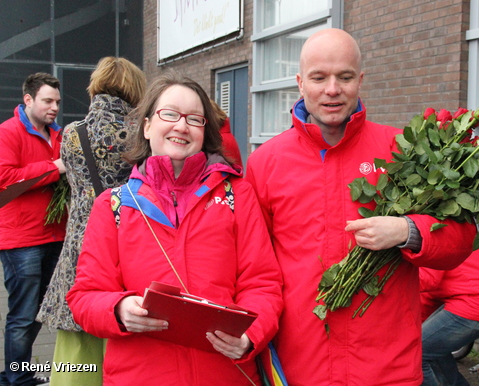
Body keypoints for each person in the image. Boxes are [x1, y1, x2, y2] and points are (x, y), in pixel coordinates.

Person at [245, 28, 476, 385]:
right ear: (300, 83)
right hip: (301, 363)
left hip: (386, 365)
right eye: (319, 78)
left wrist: (409, 231)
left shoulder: (400, 149)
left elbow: (460, 238)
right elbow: (253, 268)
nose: (332, 89)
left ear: (361, 79)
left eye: (345, 77)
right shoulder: (266, 162)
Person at [66, 73, 283, 385]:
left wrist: (251, 335)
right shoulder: (112, 206)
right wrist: (117, 309)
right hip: (140, 376)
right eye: (169, 114)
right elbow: (84, 296)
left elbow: (263, 284)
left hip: (223, 374)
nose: (181, 126)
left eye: (194, 119)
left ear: (204, 131)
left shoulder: (237, 195)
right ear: (147, 125)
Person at [36, 57, 146, 386]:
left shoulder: (71, 133)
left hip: (79, 247)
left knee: (77, 347)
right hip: (126, 239)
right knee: (127, 332)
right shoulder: (141, 132)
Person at [0, 73, 67, 386]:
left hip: (54, 234)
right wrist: (55, 169)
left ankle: (20, 373)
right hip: (21, 238)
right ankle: (15, 378)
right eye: (47, 101)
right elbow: (7, 180)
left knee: (38, 312)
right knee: (23, 314)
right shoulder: (8, 132)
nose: (54, 107)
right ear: (28, 100)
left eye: (56, 101)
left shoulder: (58, 135)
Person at [420, 246, 479, 386]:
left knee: (416, 354)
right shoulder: (455, 226)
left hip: (476, 302)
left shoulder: (430, 236)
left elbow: (427, 280)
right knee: (435, 352)